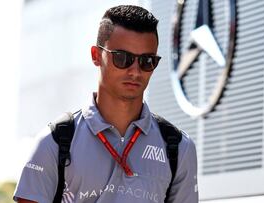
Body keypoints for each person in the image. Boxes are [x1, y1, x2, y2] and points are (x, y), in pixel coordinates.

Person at [13, 4, 198, 203]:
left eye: (147, 61)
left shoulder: (179, 147)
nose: (135, 71)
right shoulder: (54, 142)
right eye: (122, 58)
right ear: (95, 55)